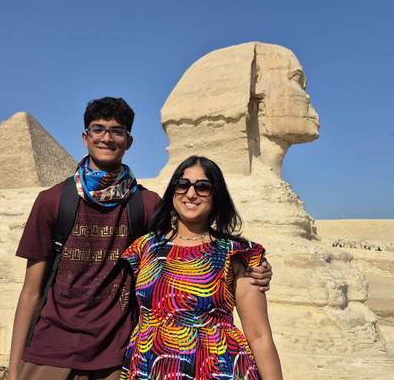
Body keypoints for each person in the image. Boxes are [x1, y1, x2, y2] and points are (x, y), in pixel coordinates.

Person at [7, 98, 272, 380]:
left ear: (129, 141)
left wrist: (252, 266)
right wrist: (14, 370)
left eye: (116, 131)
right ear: (85, 137)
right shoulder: (53, 201)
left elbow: (190, 244)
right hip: (51, 350)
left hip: (114, 355)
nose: (106, 138)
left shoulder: (146, 205)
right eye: (98, 129)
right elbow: (31, 292)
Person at [120, 156, 283, 380]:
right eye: (183, 184)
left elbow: (259, 335)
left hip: (216, 370)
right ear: (173, 190)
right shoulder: (144, 248)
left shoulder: (236, 254)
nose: (191, 194)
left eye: (203, 187)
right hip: (150, 368)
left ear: (216, 196)